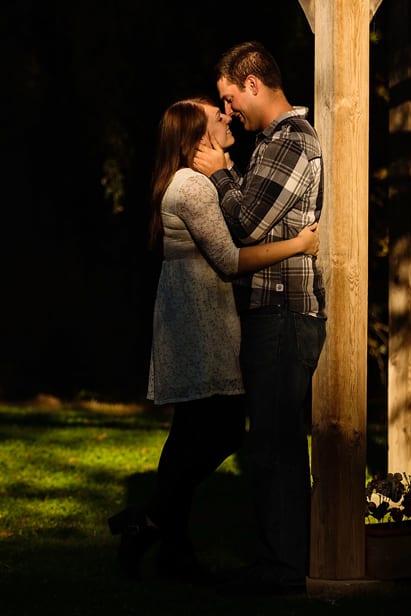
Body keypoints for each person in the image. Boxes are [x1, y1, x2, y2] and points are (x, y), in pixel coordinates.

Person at [107, 97, 320, 584]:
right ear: (195, 137)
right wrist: (300, 244)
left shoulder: (193, 182)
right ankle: (153, 520)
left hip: (196, 312)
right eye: (215, 116)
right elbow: (230, 258)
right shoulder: (191, 188)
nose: (227, 117)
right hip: (198, 320)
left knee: (190, 432)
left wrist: (225, 170)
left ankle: (169, 546)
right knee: (221, 429)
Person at [192, 41, 326, 596]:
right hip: (271, 310)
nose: (228, 113)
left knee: (275, 442)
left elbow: (245, 221)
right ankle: (279, 559)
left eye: (228, 99)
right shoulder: (271, 143)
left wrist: (222, 173)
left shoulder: (292, 141)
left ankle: (284, 567)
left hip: (284, 312)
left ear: (252, 83)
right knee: (272, 439)